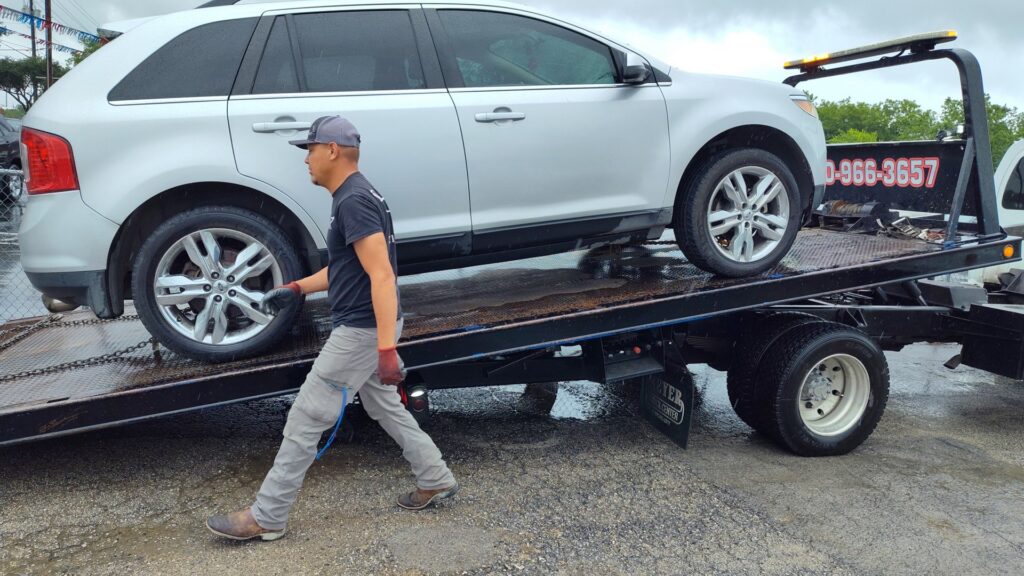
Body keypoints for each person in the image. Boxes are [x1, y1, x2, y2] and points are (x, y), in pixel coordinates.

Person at [206, 116, 458, 542]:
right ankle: (435, 476)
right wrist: (298, 287)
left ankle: (267, 515)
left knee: (306, 417)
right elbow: (347, 268)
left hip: (360, 330)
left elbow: (381, 275)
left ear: (332, 150)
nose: (306, 159)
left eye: (309, 149)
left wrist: (383, 349)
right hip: (370, 325)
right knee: (384, 407)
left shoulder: (353, 201)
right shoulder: (357, 195)